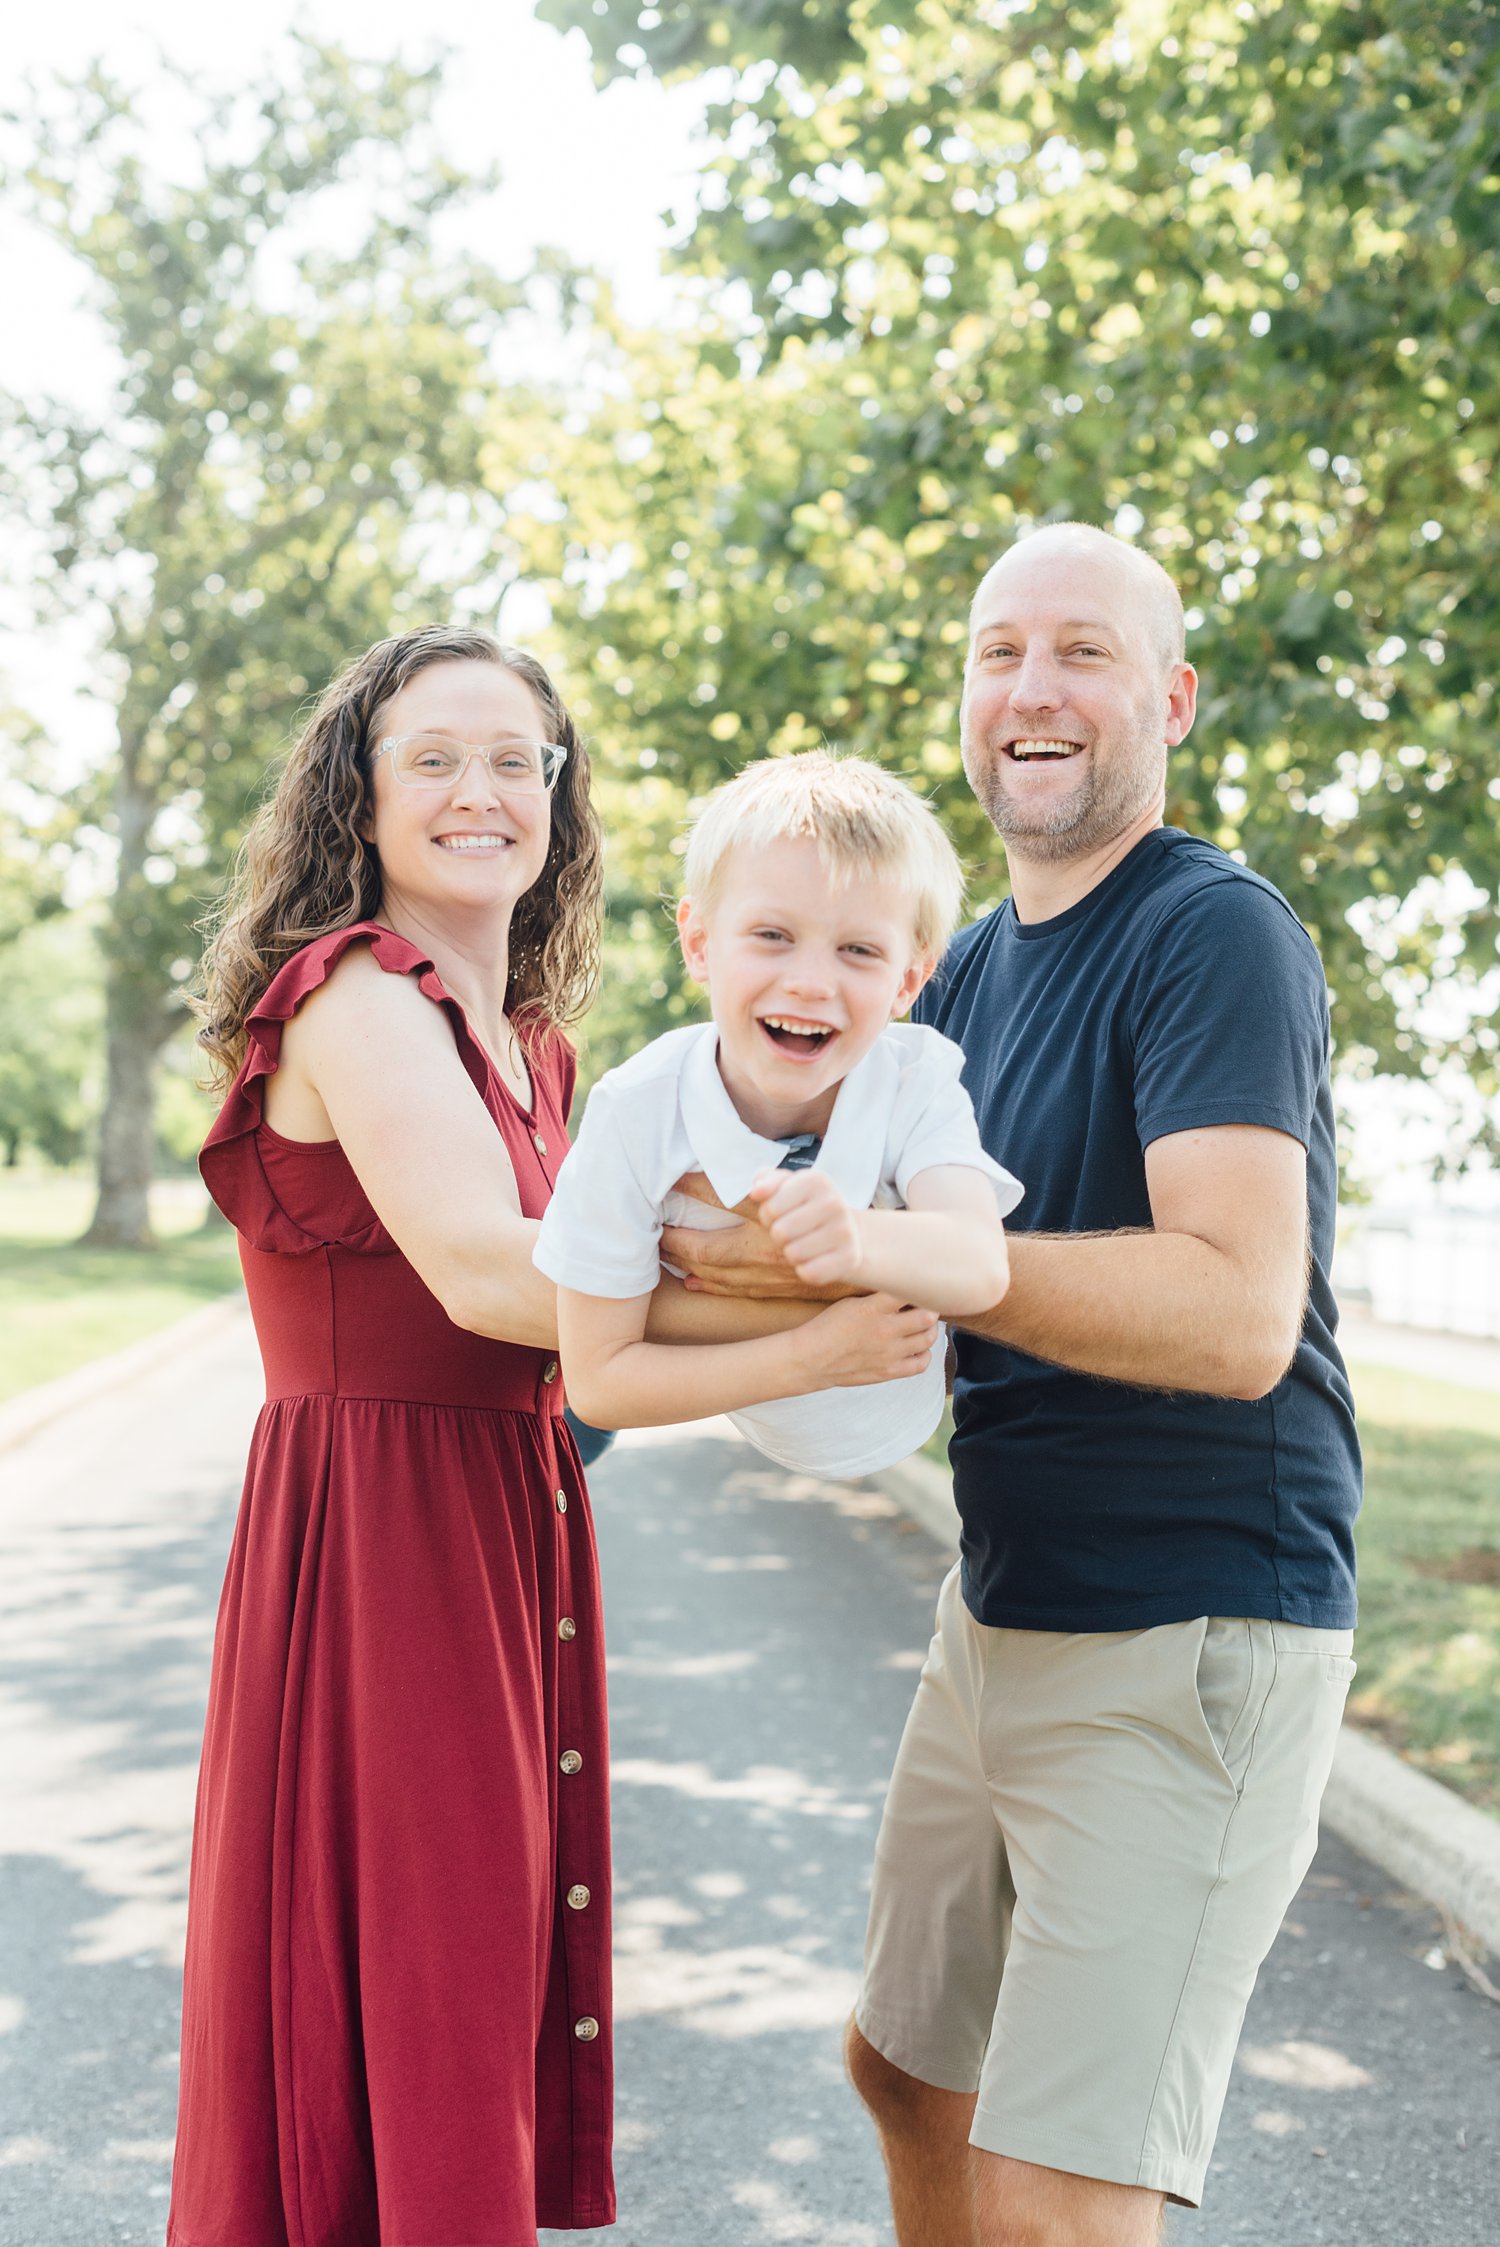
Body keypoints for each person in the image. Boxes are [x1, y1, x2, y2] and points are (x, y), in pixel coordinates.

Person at [170, 628, 928, 2247]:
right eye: (433, 757)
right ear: (358, 802)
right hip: (376, 1540)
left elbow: (616, 1305)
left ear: (560, 799)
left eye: (519, 759)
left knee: (478, 1966)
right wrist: (832, 1309)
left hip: (500, 1526)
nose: (481, 791)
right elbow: (499, 1275)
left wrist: (861, 1270)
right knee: (420, 1975)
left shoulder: (526, 1039)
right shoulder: (359, 993)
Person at [661, 526, 1362, 2247]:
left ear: (1171, 698)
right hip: (1003, 1614)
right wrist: (565, 1358)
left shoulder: (1214, 936)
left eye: (1082, 653)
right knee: (909, 2066)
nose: (1031, 690)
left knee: (1060, 2197)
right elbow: (791, 1233)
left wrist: (928, 1262)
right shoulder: (965, 967)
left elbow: (1233, 1312)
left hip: (1193, 1631)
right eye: (997, 654)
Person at [533, 753, 1020, 1475]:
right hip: (777, 1400)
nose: (812, 981)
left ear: (908, 979)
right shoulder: (638, 1110)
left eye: (858, 949)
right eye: (772, 936)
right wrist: (811, 1356)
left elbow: (981, 1266)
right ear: (699, 944)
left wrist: (857, 1238)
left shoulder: (915, 1076)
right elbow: (600, 1379)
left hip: (904, 1412)